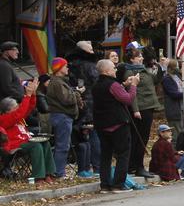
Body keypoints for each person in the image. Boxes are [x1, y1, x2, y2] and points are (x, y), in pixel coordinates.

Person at [0, 80, 57, 185]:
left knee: (45, 142)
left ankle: (49, 174)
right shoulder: (4, 118)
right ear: (7, 110)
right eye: (15, 107)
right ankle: (38, 176)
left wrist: (33, 94)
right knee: (36, 146)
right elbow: (20, 112)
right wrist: (27, 95)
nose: (18, 108)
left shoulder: (17, 115)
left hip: (26, 140)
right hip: (15, 145)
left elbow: (28, 108)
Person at [93, 58, 137, 193]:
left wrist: (124, 85)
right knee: (123, 153)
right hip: (117, 123)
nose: (116, 69)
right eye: (113, 68)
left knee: (105, 155)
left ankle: (105, 185)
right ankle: (118, 184)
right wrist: (133, 85)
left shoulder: (96, 85)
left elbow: (112, 95)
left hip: (101, 124)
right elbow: (127, 99)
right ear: (106, 71)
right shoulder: (112, 84)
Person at [121, 47, 161, 178]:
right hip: (141, 109)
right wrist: (136, 109)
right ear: (132, 59)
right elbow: (132, 93)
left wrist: (162, 68)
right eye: (139, 57)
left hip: (149, 106)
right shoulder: (130, 72)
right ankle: (137, 166)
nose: (142, 58)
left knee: (142, 138)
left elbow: (155, 80)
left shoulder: (143, 70)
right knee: (140, 139)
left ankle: (134, 166)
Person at [45, 57, 82, 179]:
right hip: (62, 116)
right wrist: (76, 93)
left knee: (62, 145)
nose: (67, 68)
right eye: (65, 66)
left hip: (62, 116)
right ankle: (58, 172)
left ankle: (58, 171)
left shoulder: (59, 81)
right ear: (59, 68)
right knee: (63, 146)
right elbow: (67, 100)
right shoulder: (57, 82)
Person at [67, 40, 101, 178]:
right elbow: (97, 81)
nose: (93, 50)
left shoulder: (70, 66)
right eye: (90, 49)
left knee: (82, 136)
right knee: (93, 134)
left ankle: (85, 167)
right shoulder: (90, 66)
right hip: (90, 103)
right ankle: (97, 166)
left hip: (77, 103)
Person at [161, 59, 184, 137]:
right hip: (174, 110)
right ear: (172, 67)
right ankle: (174, 149)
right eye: (177, 66)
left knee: (182, 133)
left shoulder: (177, 76)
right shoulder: (167, 79)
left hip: (181, 109)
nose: (178, 68)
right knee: (176, 135)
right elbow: (174, 94)